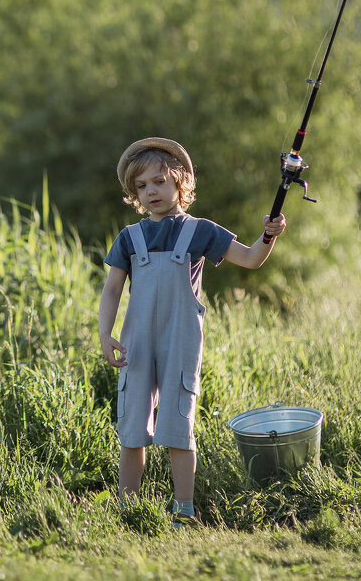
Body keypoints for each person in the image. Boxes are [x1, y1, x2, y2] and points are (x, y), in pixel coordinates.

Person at [98, 137, 286, 527]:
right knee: (132, 428)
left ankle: (184, 508)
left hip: (180, 343)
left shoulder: (200, 231)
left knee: (177, 426)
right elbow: (112, 289)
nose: (151, 191)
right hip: (135, 344)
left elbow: (250, 259)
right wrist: (105, 333)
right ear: (134, 193)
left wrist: (268, 235)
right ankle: (128, 510)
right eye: (141, 186)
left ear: (180, 182)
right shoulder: (128, 238)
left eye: (159, 182)